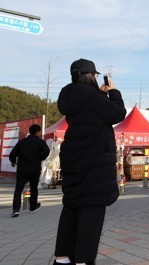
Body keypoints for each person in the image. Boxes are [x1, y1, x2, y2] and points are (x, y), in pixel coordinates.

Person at [53, 58, 126, 265]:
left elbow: (90, 113)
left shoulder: (70, 98)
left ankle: (61, 258)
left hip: (73, 160)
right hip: (94, 164)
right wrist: (113, 92)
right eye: (94, 75)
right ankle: (83, 261)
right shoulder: (95, 99)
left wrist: (101, 95)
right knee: (91, 214)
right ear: (90, 76)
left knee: (71, 209)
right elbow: (118, 113)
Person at [9, 123, 50, 217]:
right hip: (35, 169)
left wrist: (13, 161)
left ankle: (16, 209)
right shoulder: (40, 142)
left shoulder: (22, 142)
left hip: (22, 169)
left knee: (18, 189)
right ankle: (33, 206)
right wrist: (41, 158)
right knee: (34, 188)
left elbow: (12, 154)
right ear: (38, 132)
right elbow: (47, 151)